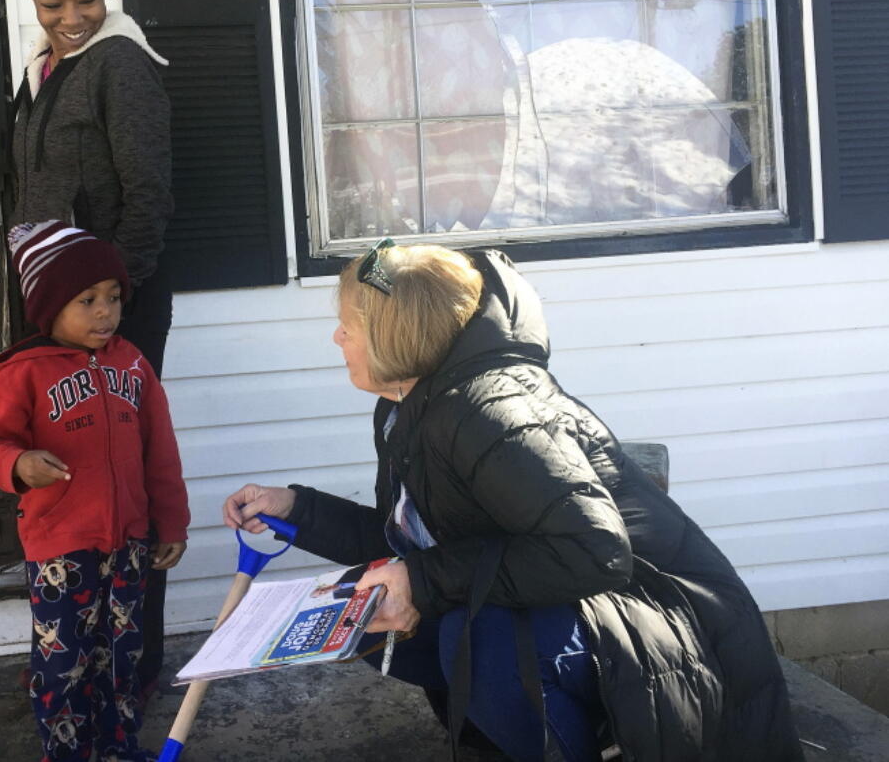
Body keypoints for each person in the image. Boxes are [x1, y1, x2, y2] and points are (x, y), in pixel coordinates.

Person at [223, 241, 803, 762]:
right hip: (582, 601)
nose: (336, 338)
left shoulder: (489, 412)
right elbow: (414, 544)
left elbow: (596, 550)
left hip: (666, 620)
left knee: (479, 640)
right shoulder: (408, 406)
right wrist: (298, 508)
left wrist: (420, 583)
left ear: (391, 334)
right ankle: (514, 736)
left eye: (348, 324)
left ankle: (594, 741)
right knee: (369, 613)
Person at [0, 0, 176, 695]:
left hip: (111, 321)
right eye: (51, 3)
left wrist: (108, 315)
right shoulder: (46, 68)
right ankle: (72, 655)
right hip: (58, 323)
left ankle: (130, 670)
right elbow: (45, 179)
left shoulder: (122, 65)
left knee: (123, 487)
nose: (70, 16)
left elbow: (146, 200)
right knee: (67, 482)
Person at [0, 221, 188, 762]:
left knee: (122, 659)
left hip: (130, 545)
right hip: (59, 548)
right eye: (87, 299)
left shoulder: (133, 365)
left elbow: (160, 452)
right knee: (62, 663)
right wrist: (19, 463)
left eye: (113, 297)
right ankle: (67, 755)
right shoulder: (22, 373)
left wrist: (173, 523)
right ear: (48, 308)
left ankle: (119, 750)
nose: (105, 312)